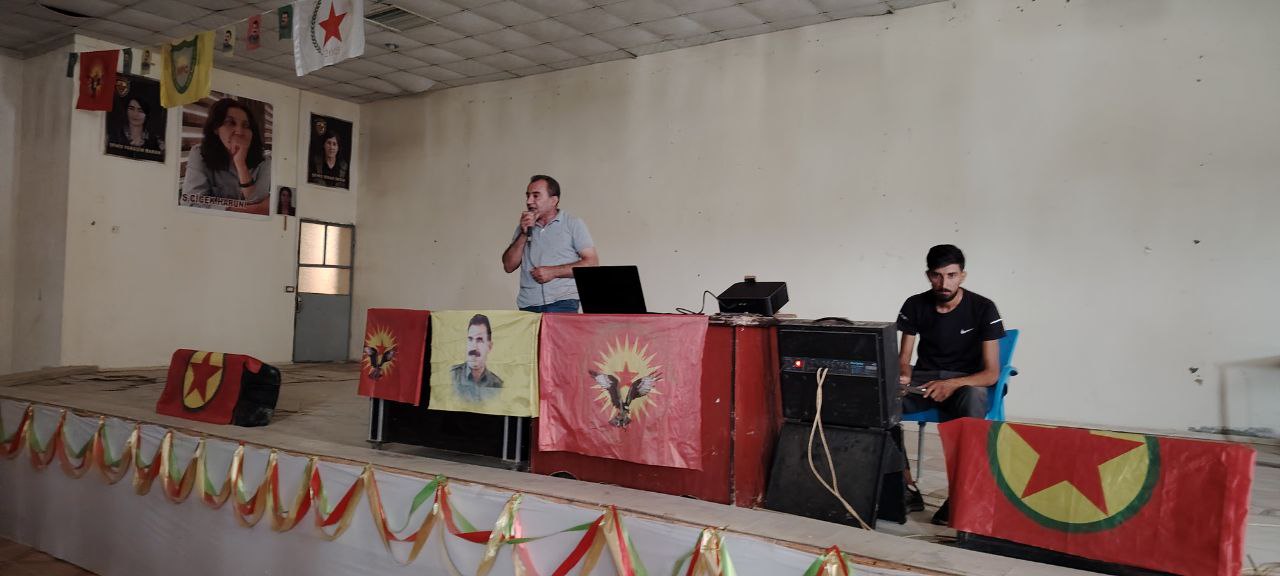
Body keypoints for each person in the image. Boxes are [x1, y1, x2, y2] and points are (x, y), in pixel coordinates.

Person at [896, 244, 1005, 524]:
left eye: (952, 275)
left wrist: (953, 384)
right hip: (925, 379)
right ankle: (906, 487)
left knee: (973, 397)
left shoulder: (983, 308)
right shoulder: (914, 304)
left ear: (962, 276)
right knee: (880, 400)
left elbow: (992, 373)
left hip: (967, 381)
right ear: (928, 275)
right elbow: (904, 359)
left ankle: (961, 494)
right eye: (937, 275)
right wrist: (902, 376)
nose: (944, 283)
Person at [501, 175, 598, 312]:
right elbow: (508, 266)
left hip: (563, 302)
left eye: (536, 196)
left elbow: (591, 263)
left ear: (553, 200)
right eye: (528, 196)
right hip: (528, 305)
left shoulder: (573, 224)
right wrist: (523, 233)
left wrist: (553, 272)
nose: (529, 201)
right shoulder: (523, 227)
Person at [181, 98, 271, 214]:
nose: (239, 131)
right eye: (230, 123)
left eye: (246, 125)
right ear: (216, 129)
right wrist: (253, 209)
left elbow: (260, 204)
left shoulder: (265, 161)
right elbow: (190, 202)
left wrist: (240, 164)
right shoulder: (200, 153)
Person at [450, 314, 504, 403]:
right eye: (470, 339)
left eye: (479, 340)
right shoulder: (452, 376)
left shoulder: (498, 385)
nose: (473, 347)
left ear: (489, 346)